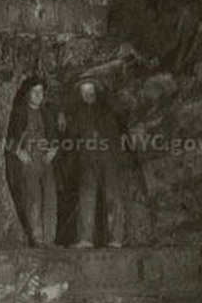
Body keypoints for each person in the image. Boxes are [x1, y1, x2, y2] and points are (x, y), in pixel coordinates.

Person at [66, 75, 125, 248]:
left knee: (113, 195)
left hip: (108, 156)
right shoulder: (78, 115)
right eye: (84, 91)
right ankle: (85, 239)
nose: (87, 94)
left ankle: (116, 239)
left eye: (90, 90)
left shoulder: (108, 111)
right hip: (87, 158)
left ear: (96, 91)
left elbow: (117, 134)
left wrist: (117, 158)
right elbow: (71, 137)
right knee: (86, 197)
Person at [8, 75, 59, 247]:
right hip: (29, 161)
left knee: (50, 199)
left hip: (46, 160)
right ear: (28, 94)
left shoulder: (47, 112)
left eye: (41, 92)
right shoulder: (19, 113)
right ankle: (38, 239)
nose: (38, 95)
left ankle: (50, 240)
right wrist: (18, 151)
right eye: (34, 92)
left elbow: (55, 136)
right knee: (33, 200)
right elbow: (10, 137)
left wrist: (53, 149)